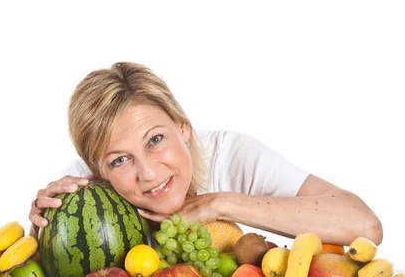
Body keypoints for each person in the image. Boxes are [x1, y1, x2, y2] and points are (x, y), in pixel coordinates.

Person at [28, 62, 383, 246]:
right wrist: (40, 232)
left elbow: (363, 224)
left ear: (184, 128)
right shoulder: (83, 187)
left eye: (155, 140)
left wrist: (220, 204)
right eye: (119, 160)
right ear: (97, 169)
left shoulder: (231, 153)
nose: (149, 174)